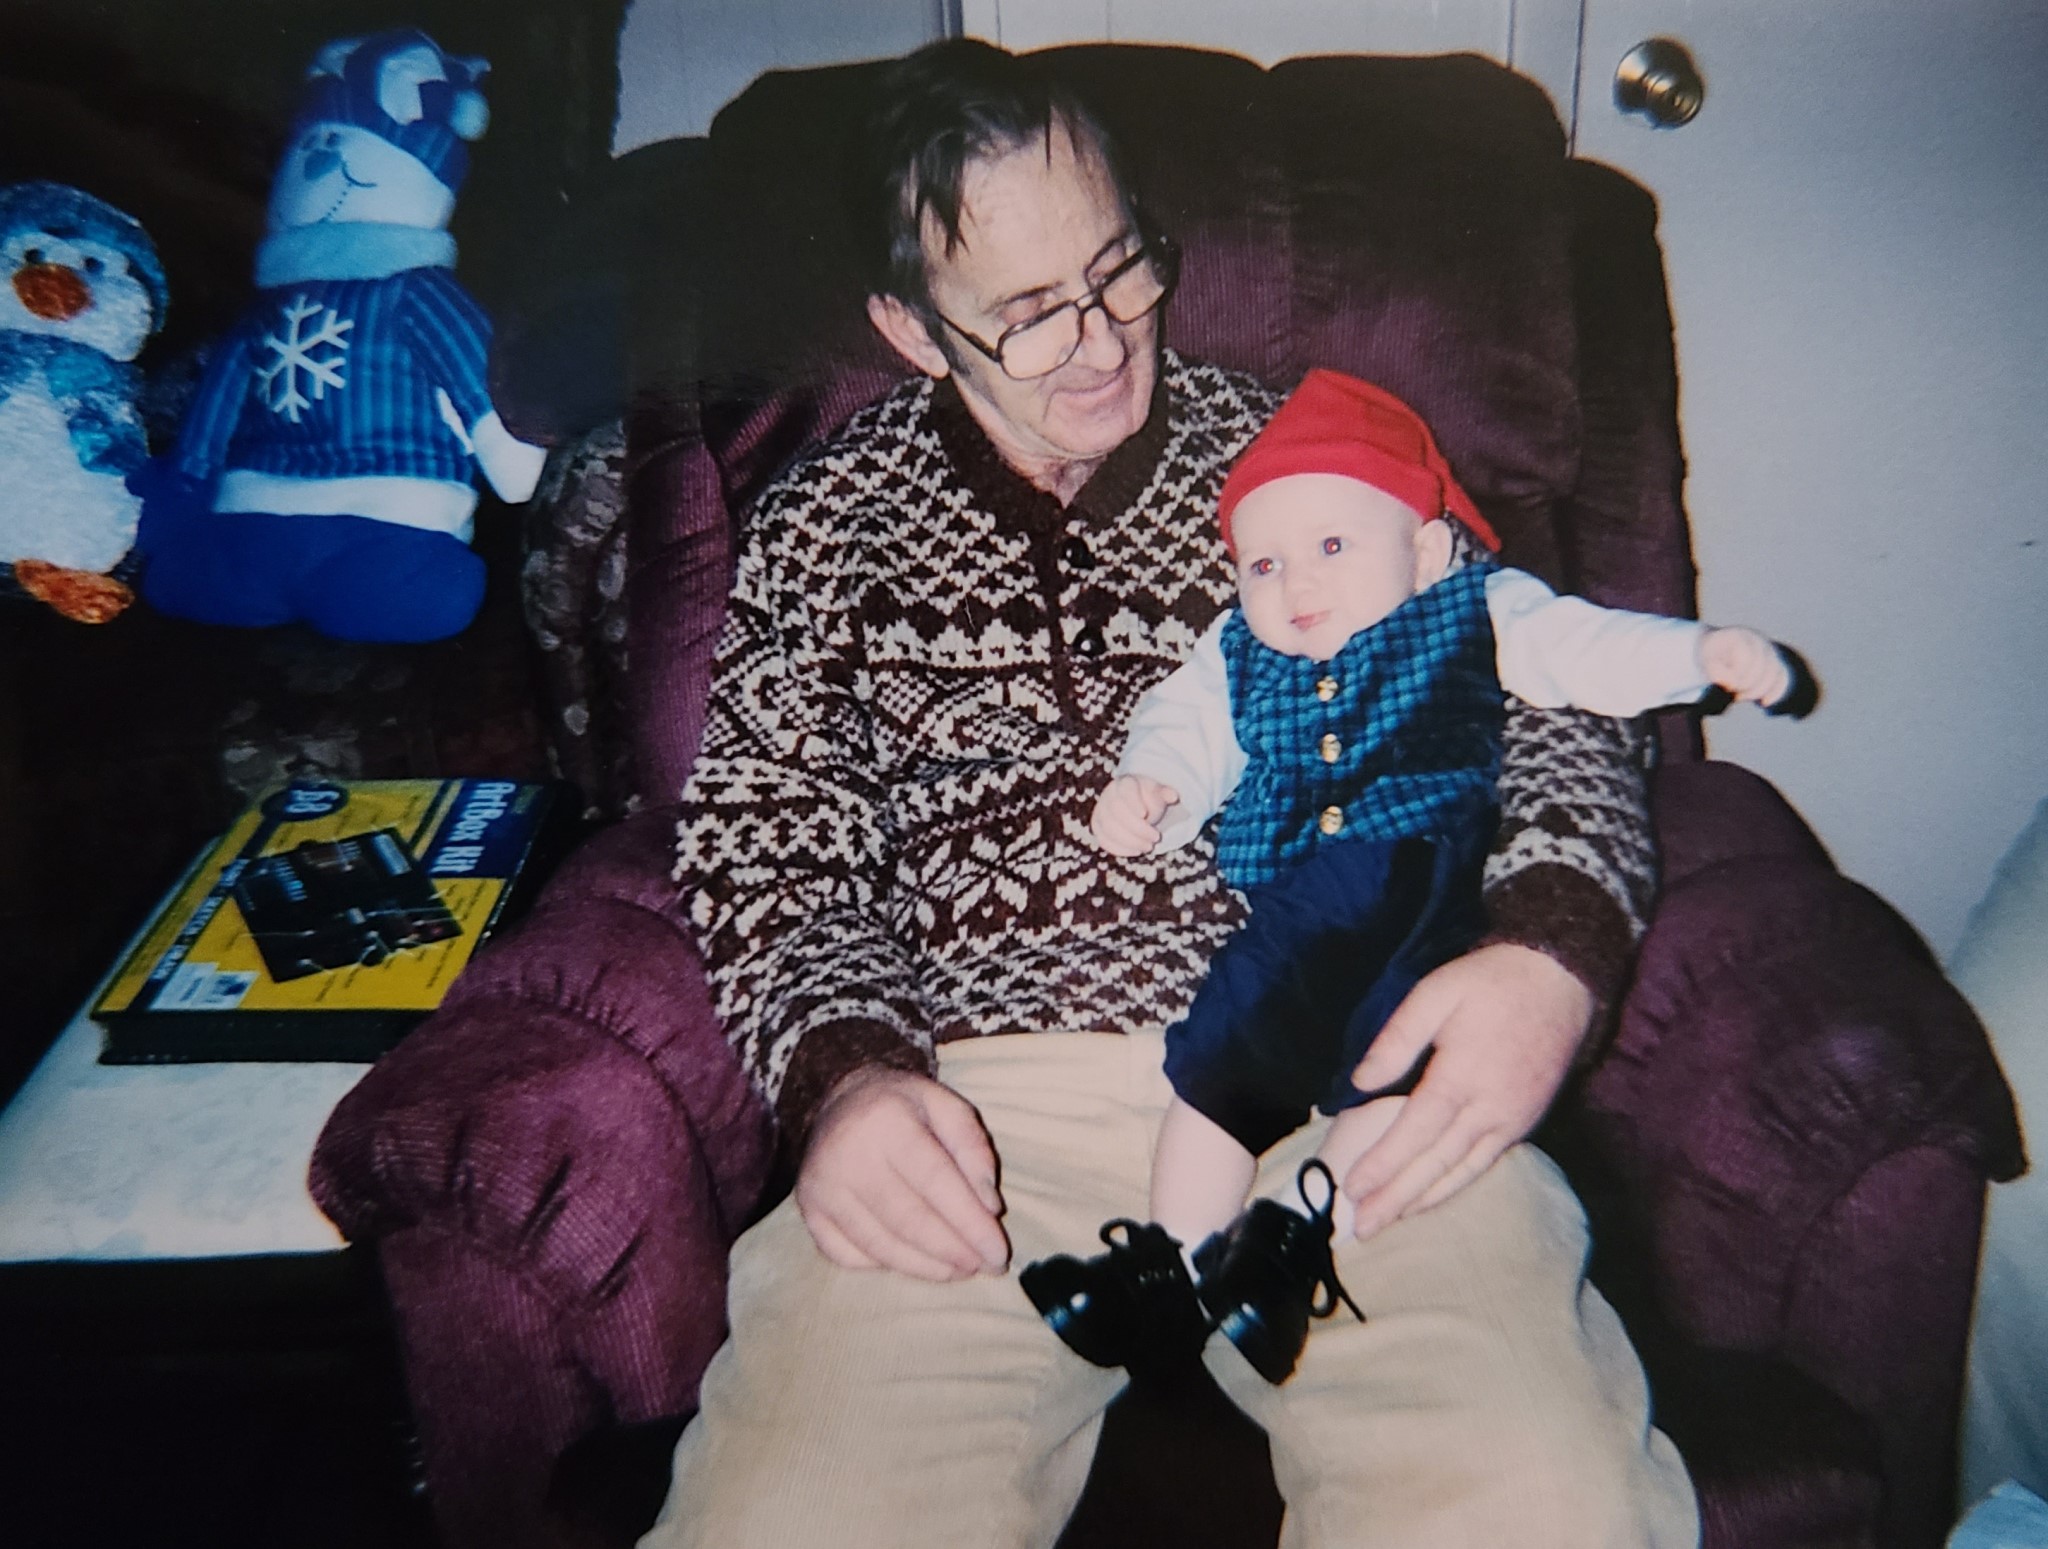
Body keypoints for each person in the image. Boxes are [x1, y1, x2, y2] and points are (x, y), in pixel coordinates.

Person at [646, 37, 1698, 1549]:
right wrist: (847, 1078)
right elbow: (767, 838)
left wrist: (1549, 952)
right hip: (980, 1114)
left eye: (1118, 269)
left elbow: (1545, 687)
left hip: (1340, 1072)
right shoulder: (825, 523)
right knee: (794, 1519)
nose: (1098, 342)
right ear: (909, 329)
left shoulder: (1312, 455)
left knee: (1537, 1503)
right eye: (1025, 314)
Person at [1022, 368, 1798, 1386]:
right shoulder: (1237, 648)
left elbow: (1580, 648)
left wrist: (1699, 655)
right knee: (1219, 1073)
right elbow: (1186, 721)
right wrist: (1152, 788)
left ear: (1425, 551)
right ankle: (1170, 1265)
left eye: (1332, 547)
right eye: (1262, 564)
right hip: (1302, 908)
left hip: (1440, 900)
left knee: (1404, 1085)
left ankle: (1291, 1241)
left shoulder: (1472, 606)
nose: (1294, 586)